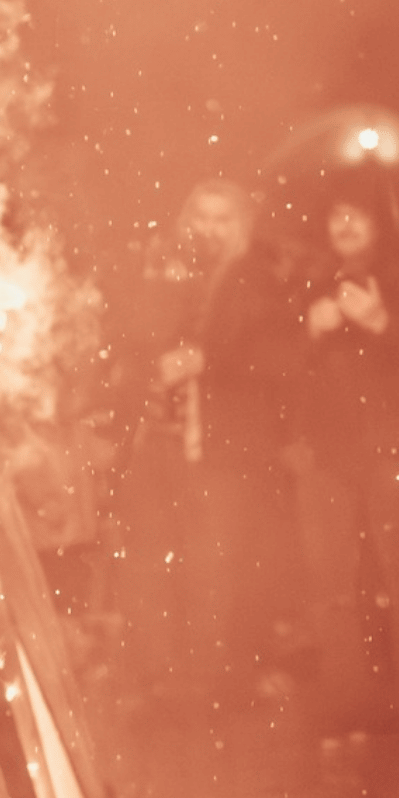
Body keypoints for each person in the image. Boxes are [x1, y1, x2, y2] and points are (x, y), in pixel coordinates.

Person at [111, 179, 299, 699]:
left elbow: (282, 356)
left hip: (221, 445)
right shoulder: (172, 274)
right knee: (151, 559)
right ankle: (161, 675)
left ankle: (218, 678)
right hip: (159, 438)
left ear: (243, 226)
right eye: (201, 219)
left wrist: (208, 362)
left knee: (217, 563)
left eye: (222, 220)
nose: (210, 231)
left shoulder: (259, 279)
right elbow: (136, 340)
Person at [286, 181, 399, 738]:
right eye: (336, 216)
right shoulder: (311, 281)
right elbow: (281, 363)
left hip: (394, 447)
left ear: (379, 223)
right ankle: (346, 703)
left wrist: (382, 322)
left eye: (356, 215)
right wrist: (310, 332)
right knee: (331, 585)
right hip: (327, 452)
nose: (345, 226)